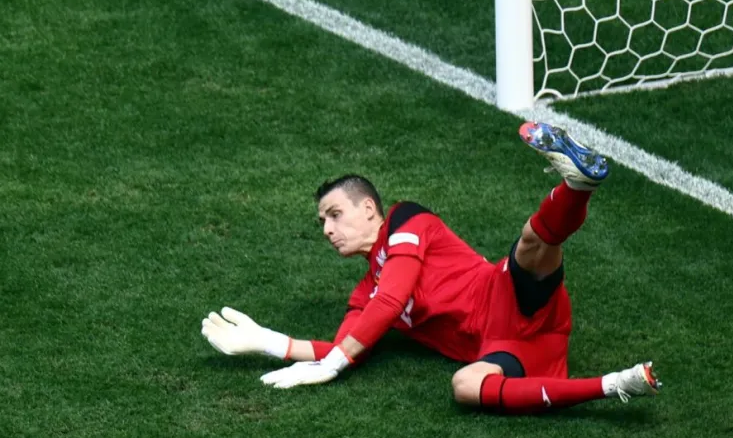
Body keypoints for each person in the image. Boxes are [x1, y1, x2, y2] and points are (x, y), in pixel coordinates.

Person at [200, 122, 661, 414]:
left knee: (531, 243)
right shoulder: (366, 293)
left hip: (505, 295)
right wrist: (268, 342)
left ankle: (578, 184)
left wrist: (333, 366)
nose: (326, 228)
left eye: (334, 214)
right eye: (321, 221)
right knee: (465, 386)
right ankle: (615, 385)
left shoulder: (407, 219)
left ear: (368, 209)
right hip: (504, 347)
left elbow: (393, 299)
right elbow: (348, 344)